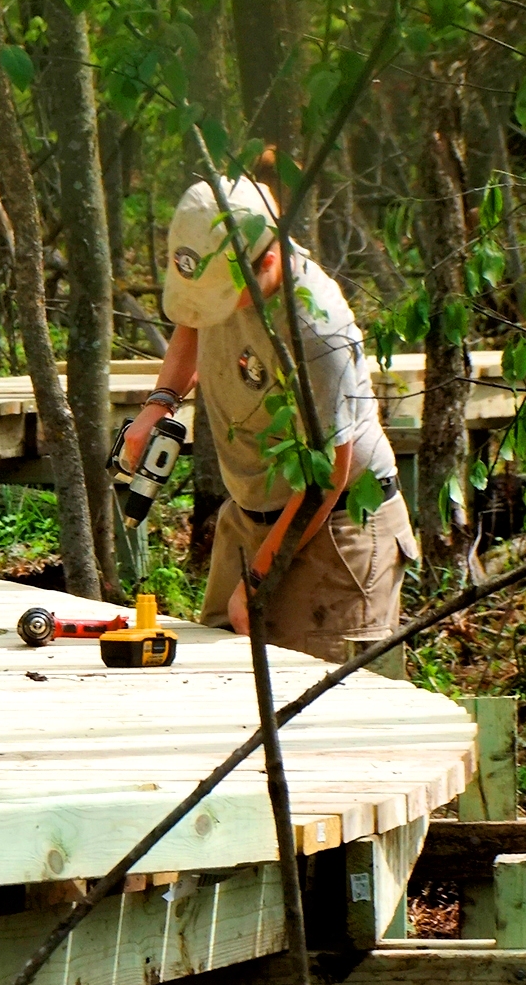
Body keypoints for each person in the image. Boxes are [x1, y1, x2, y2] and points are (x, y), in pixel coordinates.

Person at [121, 175, 417, 662]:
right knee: (227, 686)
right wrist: (162, 401)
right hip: (252, 515)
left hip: (335, 528)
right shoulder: (227, 266)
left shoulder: (315, 329)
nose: (211, 309)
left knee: (317, 707)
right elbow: (194, 319)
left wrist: (258, 578)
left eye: (223, 296)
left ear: (270, 263)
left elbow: (327, 476)